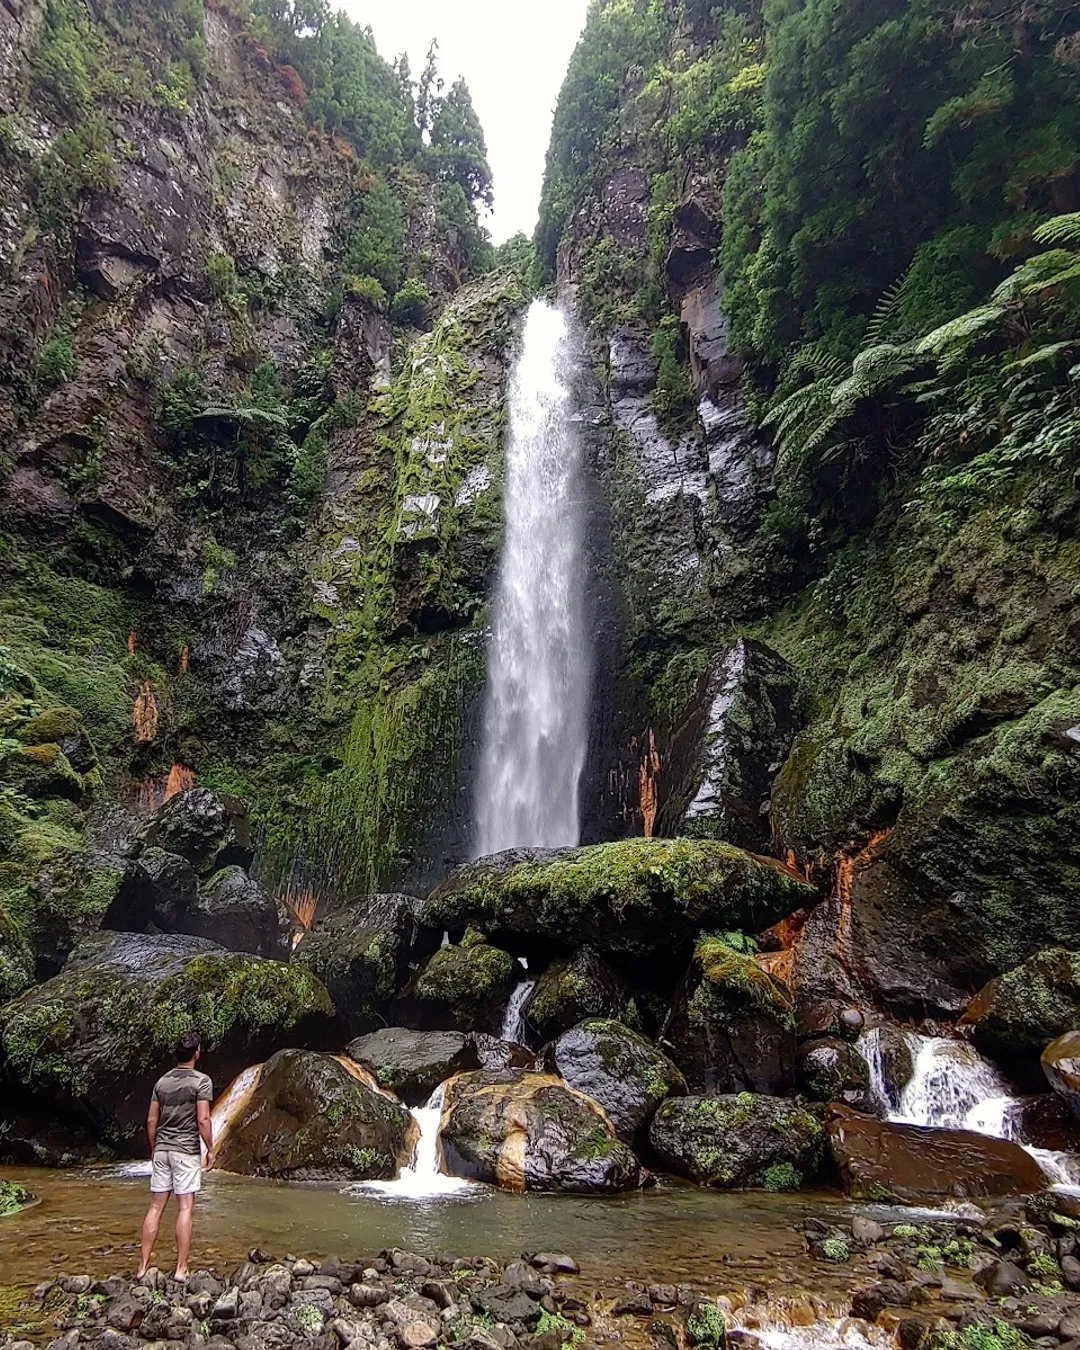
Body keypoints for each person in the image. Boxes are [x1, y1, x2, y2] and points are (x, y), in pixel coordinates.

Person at [137, 1029, 214, 1282]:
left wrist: (154, 1148)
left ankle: (143, 1266)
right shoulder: (201, 1082)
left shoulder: (161, 1082)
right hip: (185, 1151)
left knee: (156, 1206)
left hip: (162, 1150)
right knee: (185, 1208)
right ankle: (181, 1269)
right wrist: (210, 1148)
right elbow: (203, 1119)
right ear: (197, 1053)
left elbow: (151, 1120)